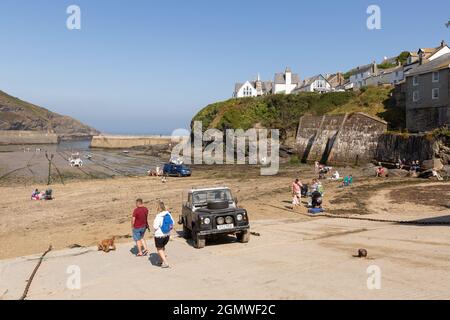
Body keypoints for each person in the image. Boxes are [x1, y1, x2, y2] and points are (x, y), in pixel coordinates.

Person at [153, 201, 174, 268]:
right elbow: (173, 223)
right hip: (167, 235)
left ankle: (166, 262)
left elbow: (155, 226)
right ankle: (161, 261)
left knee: (159, 249)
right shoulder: (168, 214)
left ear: (158, 208)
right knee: (162, 247)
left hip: (159, 235)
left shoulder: (158, 216)